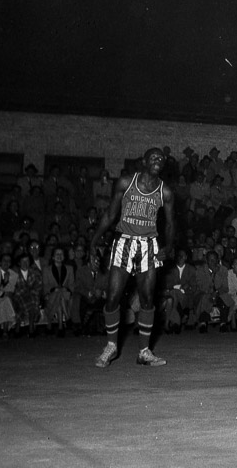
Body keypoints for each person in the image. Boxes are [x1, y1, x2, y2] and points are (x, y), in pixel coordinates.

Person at [89, 147, 175, 368]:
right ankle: (111, 346)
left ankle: (144, 351)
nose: (158, 161)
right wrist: (93, 243)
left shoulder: (165, 192)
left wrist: (169, 245)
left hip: (148, 245)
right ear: (144, 161)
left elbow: (171, 223)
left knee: (147, 299)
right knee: (113, 297)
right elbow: (110, 214)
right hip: (124, 242)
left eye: (161, 159)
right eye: (154, 157)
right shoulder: (126, 183)